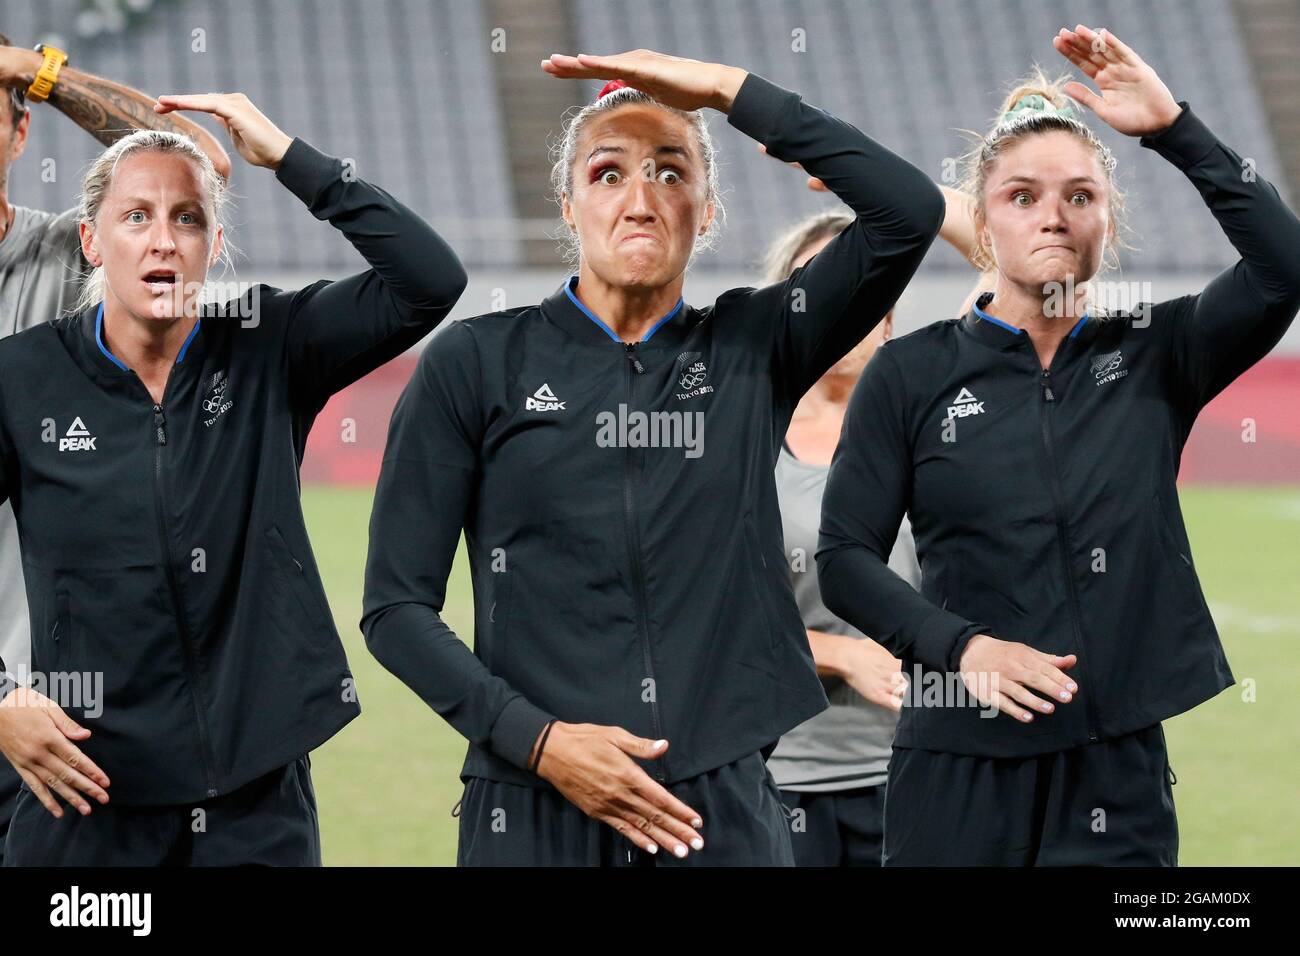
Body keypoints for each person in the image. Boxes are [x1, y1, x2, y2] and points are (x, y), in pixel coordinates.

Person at [362, 48, 944, 866]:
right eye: (607, 174)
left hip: (719, 807)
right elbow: (396, 610)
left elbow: (908, 212)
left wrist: (727, 92)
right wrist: (537, 742)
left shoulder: (756, 345)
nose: (640, 201)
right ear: (567, 205)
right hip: (532, 804)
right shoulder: (474, 363)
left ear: (708, 212)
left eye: (672, 173)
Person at [817, 26, 1300, 865]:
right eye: (1023, 196)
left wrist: (1172, 129)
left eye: (1080, 196)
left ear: (1108, 220)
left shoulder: (1157, 350)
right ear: (984, 218)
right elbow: (845, 557)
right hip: (956, 766)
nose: (1054, 217)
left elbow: (1284, 266)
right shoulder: (909, 372)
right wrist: (961, 647)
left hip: (1115, 770)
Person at [0, 91, 467, 865]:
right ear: (90, 240)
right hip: (86, 791)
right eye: (136, 217)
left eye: (188, 219)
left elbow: (427, 281)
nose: (164, 242)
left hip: (256, 796)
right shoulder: (22, 377)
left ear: (214, 246)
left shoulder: (268, 344)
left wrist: (289, 158)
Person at [0, 33, 230, 865]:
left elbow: (199, 160)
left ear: (20, 133)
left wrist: (39, 72)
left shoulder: (68, 250)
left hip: (62, 704)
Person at [763, 192, 981, 866]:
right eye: (817, 289)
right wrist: (838, 654)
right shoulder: (739, 442)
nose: (839, 310)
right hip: (779, 779)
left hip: (921, 771)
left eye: (858, 289)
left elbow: (1014, 273)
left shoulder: (934, 429)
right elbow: (695, 610)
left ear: (886, 319)